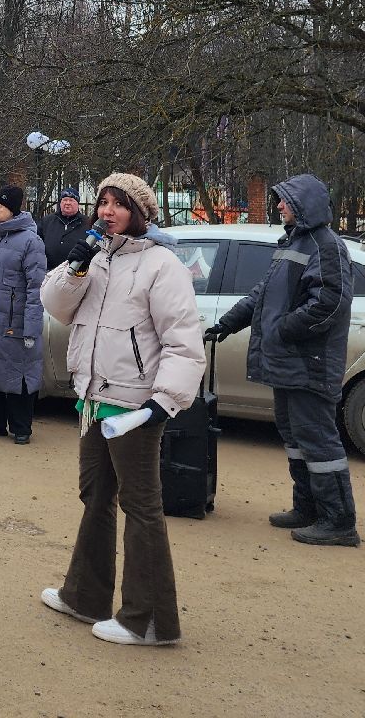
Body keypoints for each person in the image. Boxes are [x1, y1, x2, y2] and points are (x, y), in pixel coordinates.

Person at [39, 172, 205, 646]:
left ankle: (149, 620)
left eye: (118, 204)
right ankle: (84, 596)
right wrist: (74, 267)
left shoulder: (159, 265)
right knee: (95, 497)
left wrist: (163, 402)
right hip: (94, 398)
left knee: (141, 506)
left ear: (139, 212)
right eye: (103, 202)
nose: (106, 211)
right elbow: (56, 307)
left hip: (134, 405)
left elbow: (182, 341)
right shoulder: (96, 259)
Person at [208, 174, 359, 547]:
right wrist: (229, 322)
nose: (278, 206)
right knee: (295, 436)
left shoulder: (327, 246)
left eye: (284, 201)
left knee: (318, 440)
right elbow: (263, 295)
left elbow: (330, 304)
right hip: (290, 363)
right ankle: (308, 508)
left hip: (309, 362)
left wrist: (284, 329)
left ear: (302, 205)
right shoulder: (295, 243)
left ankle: (339, 521)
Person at [0, 186, 48, 443]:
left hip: (14, 320)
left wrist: (31, 328)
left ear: (12, 209)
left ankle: (21, 428)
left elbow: (37, 288)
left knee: (18, 375)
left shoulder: (30, 241)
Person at [40, 187, 90, 270]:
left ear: (77, 204)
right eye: (65, 200)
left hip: (75, 273)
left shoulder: (87, 223)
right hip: (48, 272)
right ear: (60, 203)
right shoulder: (47, 221)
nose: (67, 203)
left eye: (71, 200)